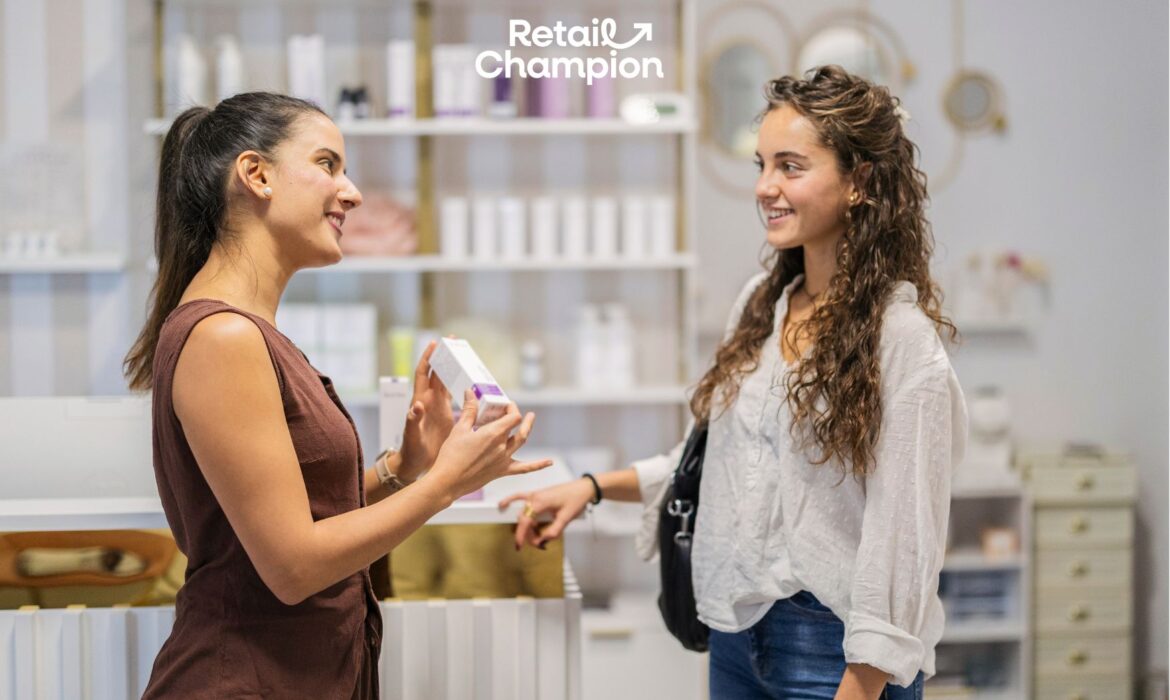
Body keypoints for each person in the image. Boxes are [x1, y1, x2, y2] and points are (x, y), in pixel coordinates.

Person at [502, 66, 968, 699]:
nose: (764, 187)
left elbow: (904, 539)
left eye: (790, 166)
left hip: (835, 654)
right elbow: (718, 465)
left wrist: (860, 685)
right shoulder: (762, 303)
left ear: (859, 182)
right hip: (736, 637)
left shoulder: (901, 340)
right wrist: (589, 488)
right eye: (761, 164)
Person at [122, 91, 550, 699]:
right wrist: (443, 485)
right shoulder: (223, 337)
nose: (351, 192)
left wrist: (405, 469)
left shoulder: (248, 333)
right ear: (256, 175)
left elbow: (293, 511)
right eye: (328, 164)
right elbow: (293, 566)